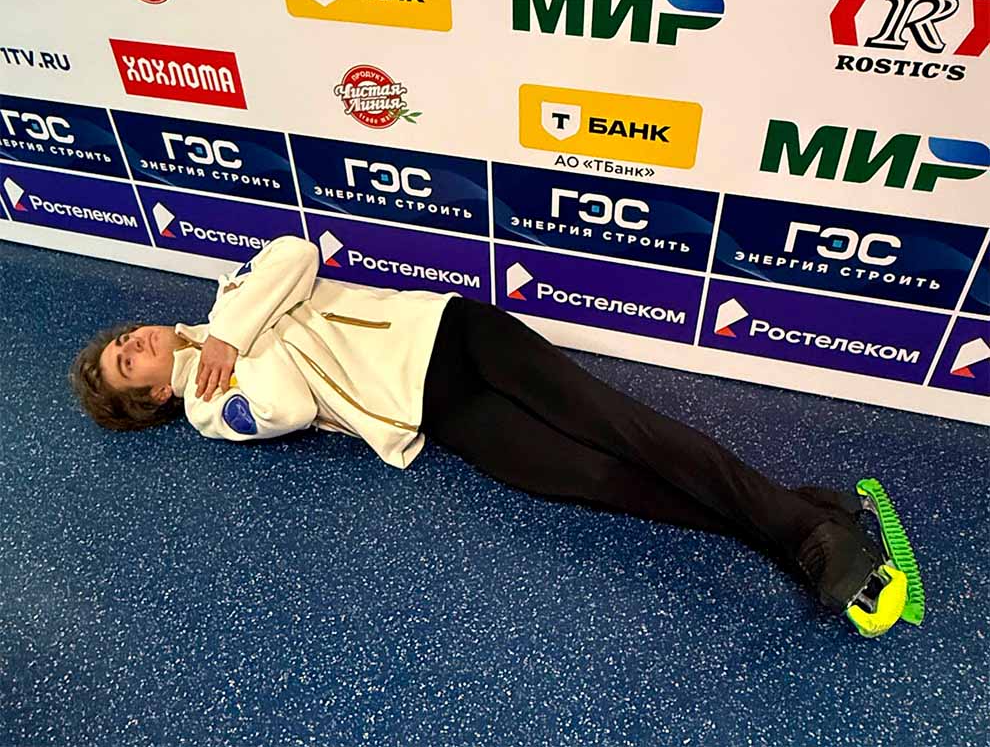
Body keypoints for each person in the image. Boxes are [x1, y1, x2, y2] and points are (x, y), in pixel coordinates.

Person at [69, 234, 923, 638]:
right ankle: (804, 520)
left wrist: (230, 330)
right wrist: (236, 353)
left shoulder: (228, 297)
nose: (133, 345)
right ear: (151, 398)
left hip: (452, 334)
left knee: (626, 428)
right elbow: (287, 403)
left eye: (123, 340)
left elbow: (295, 253)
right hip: (435, 413)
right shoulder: (210, 411)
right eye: (126, 365)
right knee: (599, 480)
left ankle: (808, 535)